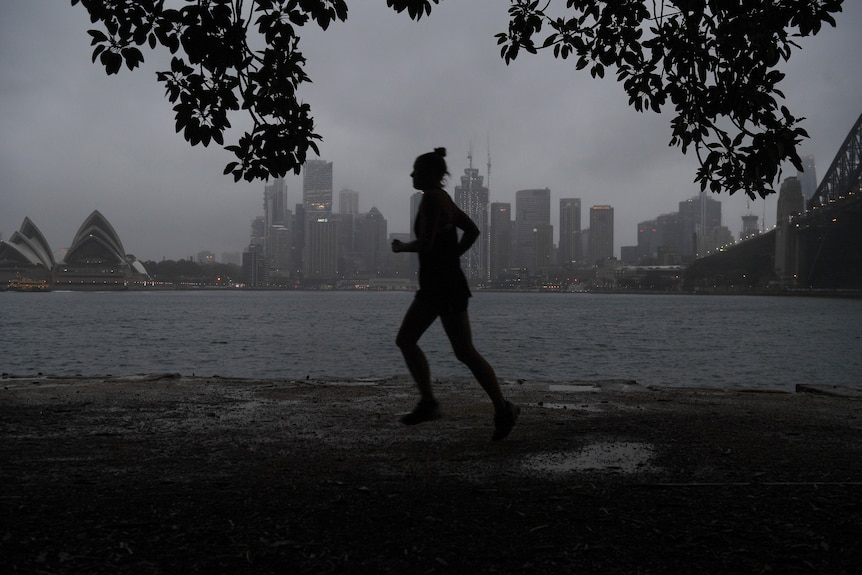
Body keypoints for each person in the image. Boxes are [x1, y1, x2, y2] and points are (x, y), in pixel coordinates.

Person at [391, 147, 520, 441]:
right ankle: (502, 410)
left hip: (438, 286)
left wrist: (401, 247)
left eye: (417, 170)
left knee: (407, 340)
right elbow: (473, 231)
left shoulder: (431, 200)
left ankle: (429, 403)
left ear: (431, 174)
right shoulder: (446, 199)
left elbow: (426, 243)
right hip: (448, 283)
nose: (412, 174)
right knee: (465, 352)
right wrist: (453, 259)